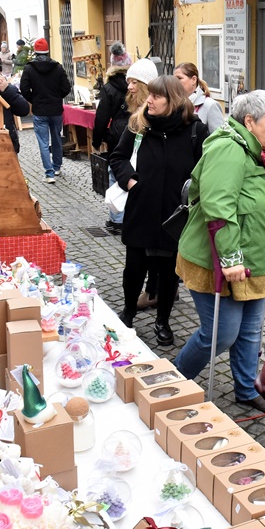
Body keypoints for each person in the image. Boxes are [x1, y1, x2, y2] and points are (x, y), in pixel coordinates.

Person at [174, 90, 265, 413]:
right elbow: (219, 208)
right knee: (221, 333)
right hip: (221, 260)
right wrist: (231, 259)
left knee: (250, 331)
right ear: (249, 122)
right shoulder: (229, 148)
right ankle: (173, 381)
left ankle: (246, 388)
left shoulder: (259, 152)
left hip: (256, 259)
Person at [109, 76, 208, 346]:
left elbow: (206, 169)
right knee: (134, 268)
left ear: (172, 100)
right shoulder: (139, 124)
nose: (148, 100)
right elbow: (117, 157)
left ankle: (162, 321)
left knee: (168, 272)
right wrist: (131, 181)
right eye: (150, 95)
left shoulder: (195, 130)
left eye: (156, 96)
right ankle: (128, 312)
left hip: (174, 215)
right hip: (141, 210)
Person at [95, 58, 156, 234]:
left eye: (134, 82)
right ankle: (119, 220)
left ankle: (118, 221)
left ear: (145, 85)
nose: (129, 87)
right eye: (129, 82)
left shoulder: (152, 113)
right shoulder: (135, 109)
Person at [21, 37, 73, 183]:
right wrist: (57, 97)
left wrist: (34, 99)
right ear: (48, 51)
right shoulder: (58, 67)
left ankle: (49, 174)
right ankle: (57, 167)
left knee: (43, 142)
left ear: (35, 51)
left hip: (40, 110)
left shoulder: (29, 68)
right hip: (56, 109)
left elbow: (24, 89)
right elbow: (66, 88)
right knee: (56, 138)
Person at [174, 62, 225, 134]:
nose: (175, 83)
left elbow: (220, 137)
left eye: (179, 78)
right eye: (174, 79)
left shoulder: (210, 105)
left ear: (193, 80)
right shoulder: (174, 105)